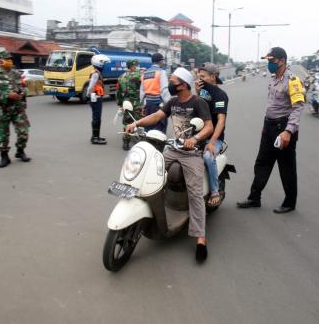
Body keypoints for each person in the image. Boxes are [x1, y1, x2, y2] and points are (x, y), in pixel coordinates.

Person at [126, 67, 214, 262]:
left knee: (195, 193)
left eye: (173, 81)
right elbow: (157, 116)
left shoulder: (198, 102)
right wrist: (137, 123)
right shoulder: (173, 102)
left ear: (183, 84)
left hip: (192, 153)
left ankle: (200, 239)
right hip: (173, 149)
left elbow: (209, 126)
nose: (170, 84)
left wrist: (196, 138)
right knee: (150, 172)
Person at [237, 47, 305, 214]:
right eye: (268, 61)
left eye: (271, 61)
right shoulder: (273, 79)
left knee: (286, 167)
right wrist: (265, 125)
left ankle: (290, 202)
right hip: (269, 127)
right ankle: (254, 198)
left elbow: (298, 108)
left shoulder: (293, 80)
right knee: (262, 163)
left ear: (281, 61)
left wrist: (288, 132)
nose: (269, 64)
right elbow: (271, 106)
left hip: (284, 129)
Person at [0, 51, 31, 168]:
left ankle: (20, 151)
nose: (10, 61)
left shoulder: (16, 74)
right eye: (7, 59)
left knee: (23, 132)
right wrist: (6, 95)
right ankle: (4, 156)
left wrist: (22, 93)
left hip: (18, 108)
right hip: (2, 109)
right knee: (3, 135)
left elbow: (24, 88)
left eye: (10, 59)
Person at [195, 62, 229, 207]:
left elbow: (221, 121)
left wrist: (211, 142)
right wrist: (197, 92)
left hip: (214, 137)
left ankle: (214, 190)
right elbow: (199, 109)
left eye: (202, 77)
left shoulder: (221, 96)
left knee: (208, 156)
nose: (199, 79)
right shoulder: (203, 91)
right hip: (199, 134)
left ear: (213, 77)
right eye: (198, 76)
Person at [140, 53, 170, 133]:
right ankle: (157, 144)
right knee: (160, 126)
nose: (163, 62)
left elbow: (142, 91)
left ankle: (148, 143)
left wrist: (143, 106)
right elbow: (164, 90)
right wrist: (169, 104)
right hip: (158, 104)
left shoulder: (144, 73)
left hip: (148, 104)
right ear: (160, 61)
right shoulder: (161, 72)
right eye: (163, 60)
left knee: (148, 125)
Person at [116, 59, 142, 150]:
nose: (136, 67)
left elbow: (118, 93)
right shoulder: (139, 75)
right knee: (139, 122)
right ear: (132, 66)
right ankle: (140, 142)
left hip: (126, 103)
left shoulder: (121, 77)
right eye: (135, 65)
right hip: (137, 103)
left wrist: (120, 104)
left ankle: (126, 143)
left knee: (127, 122)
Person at [87, 54, 110, 145]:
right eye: (103, 64)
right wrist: (90, 96)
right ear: (99, 63)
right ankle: (95, 138)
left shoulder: (96, 73)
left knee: (97, 118)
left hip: (96, 97)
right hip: (96, 98)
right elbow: (90, 87)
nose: (104, 66)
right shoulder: (96, 74)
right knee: (96, 118)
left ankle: (96, 136)